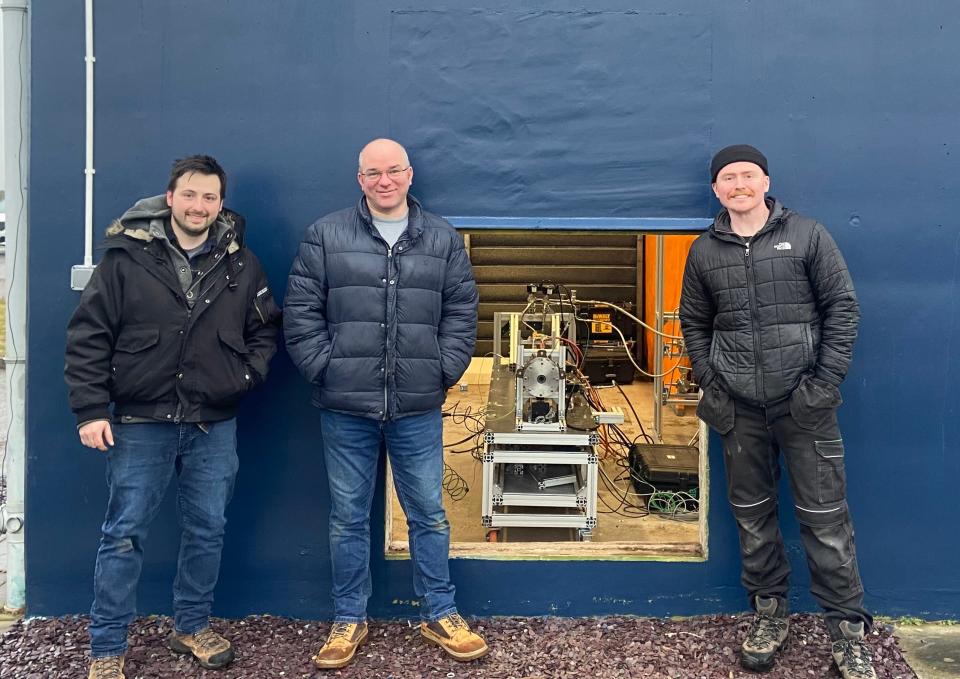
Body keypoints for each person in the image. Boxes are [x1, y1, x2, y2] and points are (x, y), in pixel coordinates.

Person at [65, 155, 281, 679]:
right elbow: (88, 334)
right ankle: (107, 647)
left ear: (220, 203)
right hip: (140, 423)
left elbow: (265, 332)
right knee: (123, 534)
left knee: (207, 529)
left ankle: (191, 625)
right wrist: (91, 409)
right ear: (170, 198)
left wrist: (243, 379)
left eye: (209, 197)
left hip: (213, 424)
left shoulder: (241, 264)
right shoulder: (125, 259)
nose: (199, 206)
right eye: (190, 195)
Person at [284, 138, 487, 670]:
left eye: (393, 170)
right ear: (360, 179)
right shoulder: (325, 235)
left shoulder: (441, 237)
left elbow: (462, 311)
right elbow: (301, 312)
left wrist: (442, 370)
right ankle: (349, 618)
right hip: (344, 406)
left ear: (410, 174)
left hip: (417, 405)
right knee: (348, 518)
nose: (384, 180)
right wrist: (325, 368)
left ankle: (439, 611)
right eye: (373, 172)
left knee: (429, 515)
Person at [680, 145, 876, 679]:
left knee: (825, 521)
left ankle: (848, 633)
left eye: (747, 174)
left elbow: (842, 307)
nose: (738, 183)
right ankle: (770, 615)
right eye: (727, 178)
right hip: (738, 409)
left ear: (764, 181)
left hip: (805, 407)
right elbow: (693, 323)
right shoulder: (704, 252)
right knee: (753, 516)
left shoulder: (808, 235)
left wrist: (822, 384)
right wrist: (712, 384)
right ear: (717, 190)